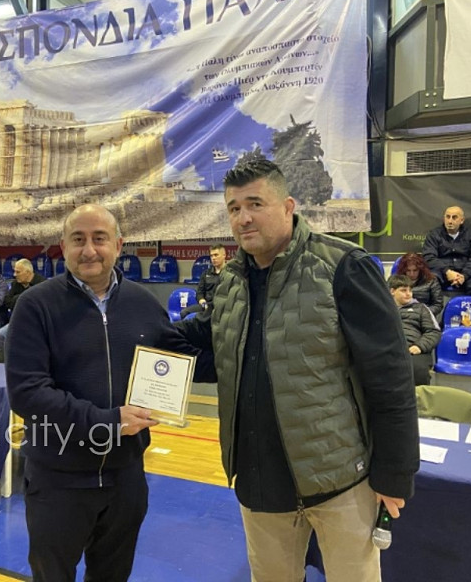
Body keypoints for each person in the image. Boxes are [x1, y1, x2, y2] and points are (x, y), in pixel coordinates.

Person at [178, 159, 419, 582]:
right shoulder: (230, 280)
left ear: (288, 206)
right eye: (234, 208)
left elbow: (390, 376)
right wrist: (133, 333)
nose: (243, 217)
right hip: (260, 481)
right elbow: (222, 357)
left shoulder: (343, 266)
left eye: (255, 204)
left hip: (340, 481)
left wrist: (395, 473)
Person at [5, 204, 200, 582]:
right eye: (78, 239)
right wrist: (108, 422)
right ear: (64, 247)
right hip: (57, 480)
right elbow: (27, 394)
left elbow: (183, 359)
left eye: (100, 239)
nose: (89, 250)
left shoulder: (143, 303)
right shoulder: (35, 305)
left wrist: (234, 330)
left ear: (119, 245)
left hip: (125, 479)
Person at [388, 275, 442, 386]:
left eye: (410, 290)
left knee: (417, 371)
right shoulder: (383, 308)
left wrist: (419, 346)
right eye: (403, 290)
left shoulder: (421, 308)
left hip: (414, 351)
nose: (408, 294)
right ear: (392, 291)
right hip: (388, 349)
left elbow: (434, 331)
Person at [422, 205, 471, 296]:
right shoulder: (434, 235)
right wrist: (447, 271)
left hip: (465, 272)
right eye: (447, 217)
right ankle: (437, 305)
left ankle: (467, 305)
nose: (450, 221)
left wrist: (464, 275)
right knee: (431, 282)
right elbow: (429, 257)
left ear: (462, 220)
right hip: (441, 272)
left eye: (454, 217)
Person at [0, 258, 44, 363]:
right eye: (14, 271)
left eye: (18, 272)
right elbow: (8, 302)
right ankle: (2, 365)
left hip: (36, 324)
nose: (14, 275)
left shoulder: (42, 284)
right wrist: (24, 296)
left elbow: (40, 307)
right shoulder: (15, 284)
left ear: (28, 272)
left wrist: (18, 299)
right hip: (17, 321)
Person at [180, 244, 226, 319]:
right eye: (211, 256)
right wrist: (203, 302)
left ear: (224, 255)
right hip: (206, 306)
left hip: (222, 307)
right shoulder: (206, 273)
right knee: (184, 312)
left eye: (216, 255)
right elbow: (199, 293)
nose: (213, 258)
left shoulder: (230, 273)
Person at [395, 252, 444, 316]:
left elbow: (438, 304)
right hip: (402, 315)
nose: (411, 274)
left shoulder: (431, 280)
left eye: (415, 270)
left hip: (425, 315)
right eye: (408, 270)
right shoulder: (396, 281)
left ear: (421, 270)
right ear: (404, 270)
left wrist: (422, 313)